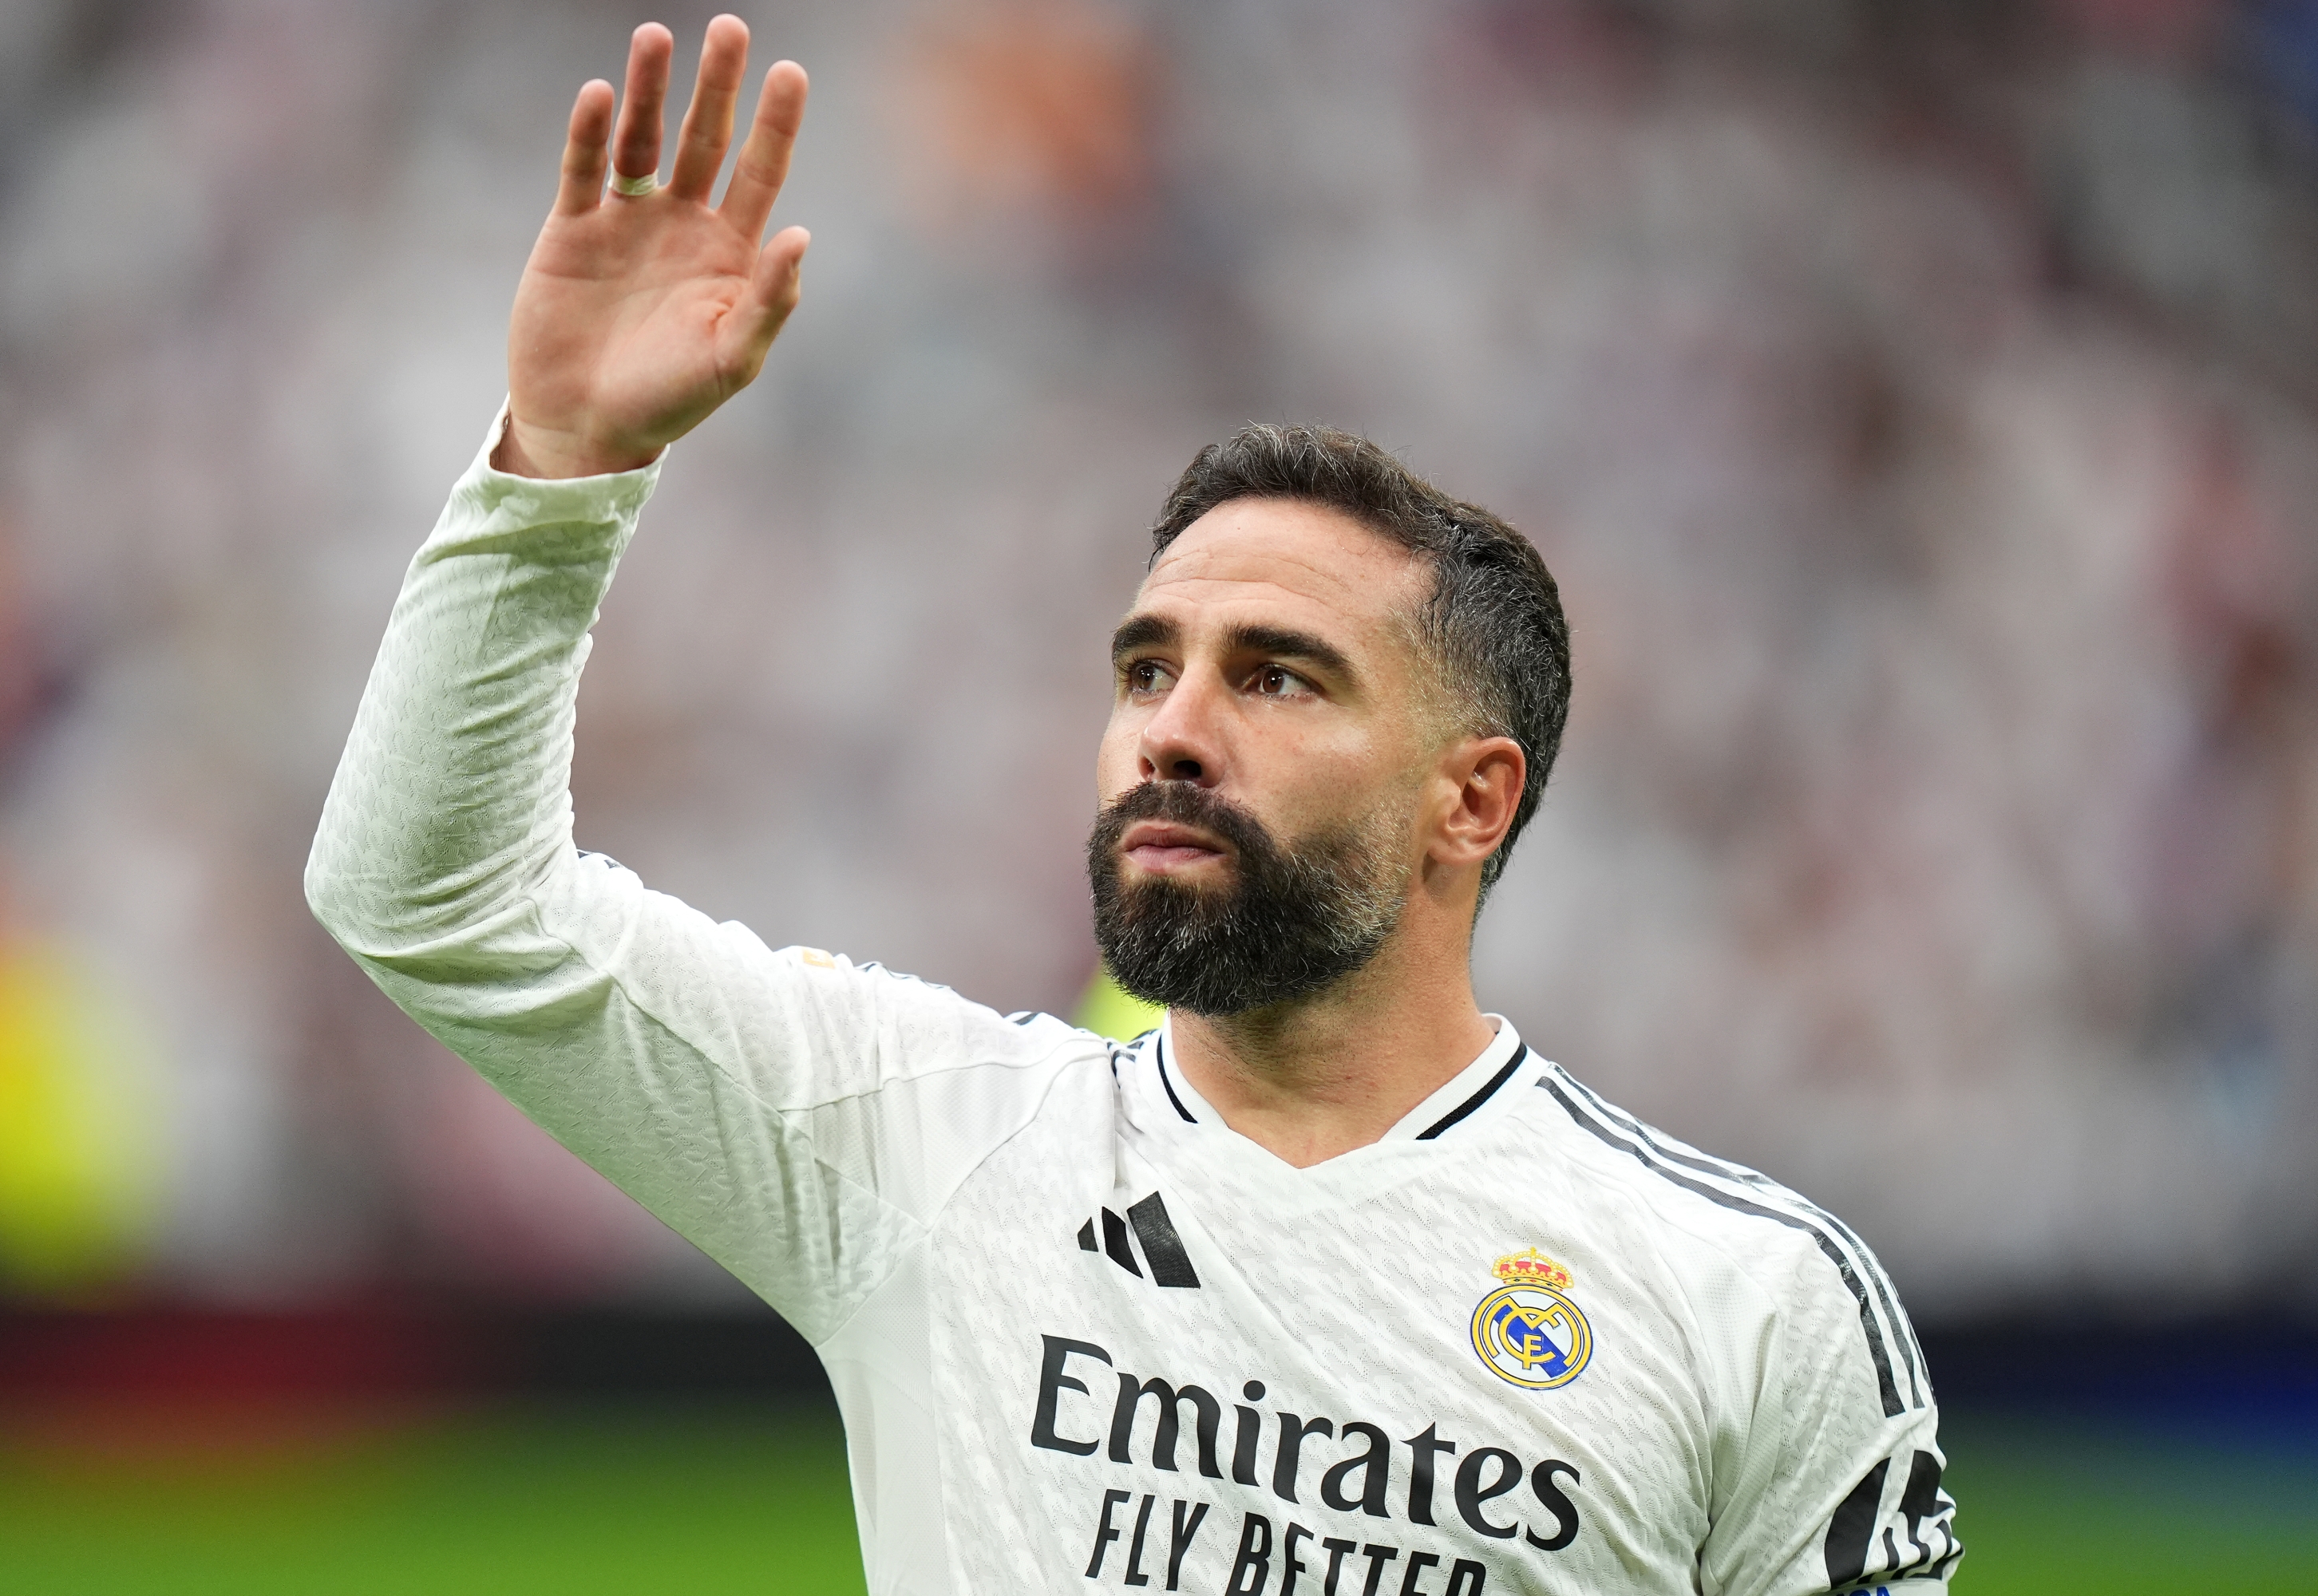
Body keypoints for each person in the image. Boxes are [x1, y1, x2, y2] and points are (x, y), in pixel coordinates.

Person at [307, 16, 1958, 1594]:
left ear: (1474, 798)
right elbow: (433, 899)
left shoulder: (1749, 1302)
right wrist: (561, 468)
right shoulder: (926, 1144)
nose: (1171, 727)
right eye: (1145, 665)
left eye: (1279, 676)